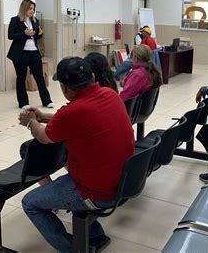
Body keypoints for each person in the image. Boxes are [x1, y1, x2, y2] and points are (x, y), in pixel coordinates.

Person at [18, 57, 134, 253]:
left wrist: (31, 122)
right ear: (93, 77)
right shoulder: (110, 94)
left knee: (30, 203)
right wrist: (43, 116)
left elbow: (44, 136)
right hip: (123, 182)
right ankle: (95, 235)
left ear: (64, 88)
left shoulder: (73, 112)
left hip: (97, 192)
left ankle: (74, 250)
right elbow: (76, 118)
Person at [7, 0, 53, 109]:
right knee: (21, 77)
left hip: (34, 52)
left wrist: (40, 34)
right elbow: (10, 35)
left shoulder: (35, 21)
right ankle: (23, 103)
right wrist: (24, 34)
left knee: (39, 77)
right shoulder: (15, 20)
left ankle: (47, 101)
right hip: (21, 53)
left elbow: (34, 36)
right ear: (24, 8)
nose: (32, 11)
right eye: (30, 8)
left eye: (33, 9)